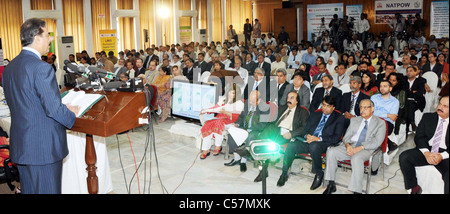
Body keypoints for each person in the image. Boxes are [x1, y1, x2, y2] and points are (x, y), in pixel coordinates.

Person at [1, 18, 79, 194]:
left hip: (22, 146)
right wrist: (70, 114)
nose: (50, 39)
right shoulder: (41, 68)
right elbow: (53, 110)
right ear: (37, 36)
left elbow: (27, 102)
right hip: (43, 148)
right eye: (47, 35)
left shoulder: (10, 67)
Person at [278, 96, 344, 189]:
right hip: (309, 141)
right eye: (323, 105)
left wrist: (319, 138)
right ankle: (284, 173)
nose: (324, 108)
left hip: (324, 143)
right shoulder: (315, 114)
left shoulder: (339, 118)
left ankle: (318, 173)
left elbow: (336, 138)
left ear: (333, 107)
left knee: (314, 146)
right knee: (292, 146)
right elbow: (305, 130)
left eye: (328, 106)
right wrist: (307, 136)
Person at [323, 99, 387, 194]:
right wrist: (348, 145)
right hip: (351, 146)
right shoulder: (354, 120)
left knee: (356, 158)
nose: (362, 110)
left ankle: (357, 190)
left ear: (372, 109)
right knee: (331, 151)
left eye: (366, 107)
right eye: (361, 107)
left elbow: (377, 142)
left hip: (366, 149)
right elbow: (346, 137)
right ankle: (331, 184)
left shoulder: (380, 123)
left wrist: (359, 148)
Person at [253, 91, 310, 182]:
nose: (289, 100)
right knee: (270, 128)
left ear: (297, 101)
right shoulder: (282, 108)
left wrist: (291, 134)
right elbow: (272, 122)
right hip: (276, 131)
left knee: (266, 142)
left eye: (292, 98)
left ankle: (255, 147)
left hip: (288, 134)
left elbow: (303, 128)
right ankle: (263, 170)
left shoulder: (303, 112)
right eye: (288, 97)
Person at [399, 96, 449, 194]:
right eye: (440, 104)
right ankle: (414, 188)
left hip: (445, 153)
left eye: (445, 106)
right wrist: (426, 153)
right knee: (404, 157)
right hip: (428, 148)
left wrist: (441, 156)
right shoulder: (428, 117)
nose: (440, 107)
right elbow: (419, 137)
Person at [224, 90, 270, 172]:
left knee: (250, 136)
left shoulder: (265, 108)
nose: (250, 103)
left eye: (252, 102)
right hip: (244, 128)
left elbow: (262, 125)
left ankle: (243, 161)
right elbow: (241, 116)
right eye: (249, 100)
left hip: (255, 130)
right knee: (232, 133)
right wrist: (237, 124)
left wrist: (249, 130)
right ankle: (237, 158)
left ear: (259, 100)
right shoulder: (247, 103)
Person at [199, 86, 244, 159]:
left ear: (237, 94)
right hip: (219, 118)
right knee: (207, 124)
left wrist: (225, 112)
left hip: (230, 120)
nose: (231, 94)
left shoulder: (239, 103)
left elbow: (238, 117)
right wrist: (206, 110)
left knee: (218, 122)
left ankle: (218, 146)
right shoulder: (223, 99)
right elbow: (215, 108)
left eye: (233, 93)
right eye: (230, 92)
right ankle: (206, 149)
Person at [371, 80, 400, 152]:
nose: (382, 88)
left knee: (376, 130)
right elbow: (372, 111)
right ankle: (390, 144)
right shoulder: (374, 98)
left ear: (390, 88)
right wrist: (387, 114)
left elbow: (393, 117)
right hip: (373, 120)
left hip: (387, 123)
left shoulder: (395, 101)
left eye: (385, 86)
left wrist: (378, 112)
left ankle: (379, 150)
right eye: (381, 86)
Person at [405, 66, 426, 133]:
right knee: (408, 104)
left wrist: (409, 93)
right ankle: (411, 123)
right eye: (407, 71)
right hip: (406, 100)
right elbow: (403, 92)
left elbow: (419, 94)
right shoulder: (404, 81)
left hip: (417, 101)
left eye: (411, 71)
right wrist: (412, 92)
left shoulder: (420, 81)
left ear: (415, 72)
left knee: (410, 104)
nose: (409, 73)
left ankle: (409, 125)